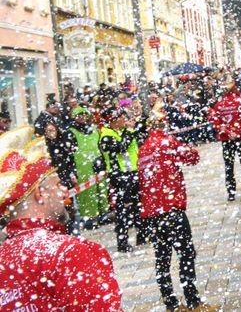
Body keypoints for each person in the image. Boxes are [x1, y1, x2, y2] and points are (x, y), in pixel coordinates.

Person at [0, 127, 123, 310]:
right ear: (40, 194)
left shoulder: (4, 258)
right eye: (58, 184)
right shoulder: (68, 252)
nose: (65, 192)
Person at [139, 115, 216, 312]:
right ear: (163, 125)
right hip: (171, 209)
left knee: (162, 259)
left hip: (153, 213)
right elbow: (192, 157)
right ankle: (193, 301)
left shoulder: (144, 149)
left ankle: (171, 304)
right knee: (186, 255)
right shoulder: (167, 142)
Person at [99, 107, 144, 251]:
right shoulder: (106, 135)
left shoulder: (122, 132)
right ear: (112, 120)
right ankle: (123, 242)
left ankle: (142, 235)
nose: (124, 120)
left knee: (138, 206)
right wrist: (130, 131)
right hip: (119, 176)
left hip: (132, 173)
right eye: (121, 117)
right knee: (122, 210)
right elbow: (121, 148)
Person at [207, 80, 241, 201]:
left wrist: (227, 132)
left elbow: (215, 122)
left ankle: (231, 192)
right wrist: (237, 131)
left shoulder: (219, 105)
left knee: (229, 165)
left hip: (226, 139)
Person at [68, 105, 108, 226]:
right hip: (82, 166)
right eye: (79, 115)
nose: (82, 117)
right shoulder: (71, 132)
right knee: (86, 192)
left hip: (98, 162)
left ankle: (103, 214)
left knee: (101, 188)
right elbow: (69, 153)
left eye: (84, 114)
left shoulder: (95, 130)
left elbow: (101, 146)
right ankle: (89, 218)